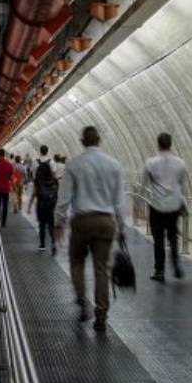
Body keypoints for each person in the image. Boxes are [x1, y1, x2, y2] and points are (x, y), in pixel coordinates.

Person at [55, 126, 127, 332]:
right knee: (101, 270)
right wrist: (122, 227)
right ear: (99, 140)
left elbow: (64, 198)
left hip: (82, 221)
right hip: (106, 222)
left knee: (76, 262)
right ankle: (101, 316)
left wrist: (58, 222)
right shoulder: (114, 165)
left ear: (82, 141)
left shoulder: (74, 165)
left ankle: (82, 301)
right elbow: (120, 200)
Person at [144, 132, 190, 282]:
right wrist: (184, 205)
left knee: (158, 240)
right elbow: (183, 188)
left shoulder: (150, 163)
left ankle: (159, 271)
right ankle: (176, 263)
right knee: (173, 236)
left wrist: (139, 204)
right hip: (174, 206)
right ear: (171, 144)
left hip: (157, 206)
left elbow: (143, 184)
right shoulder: (181, 163)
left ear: (158, 144)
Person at [29, 145, 60, 254]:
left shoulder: (35, 162)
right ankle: (53, 243)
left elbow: (33, 177)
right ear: (47, 151)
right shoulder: (52, 162)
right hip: (51, 198)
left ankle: (42, 245)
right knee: (51, 222)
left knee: (42, 223)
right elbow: (55, 178)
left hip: (40, 197)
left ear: (40, 151)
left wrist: (30, 203)